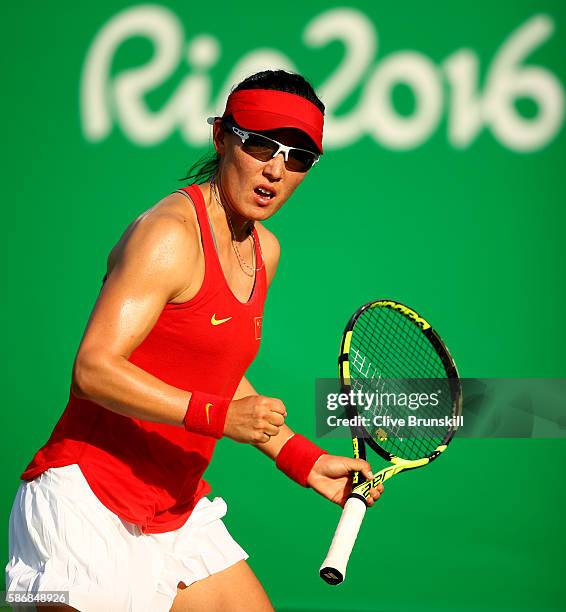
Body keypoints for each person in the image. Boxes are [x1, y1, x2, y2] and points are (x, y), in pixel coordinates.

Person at [5, 69, 383, 612]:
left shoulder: (264, 252)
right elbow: (93, 369)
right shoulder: (169, 235)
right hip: (83, 504)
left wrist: (298, 457)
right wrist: (216, 417)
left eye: (298, 156)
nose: (276, 169)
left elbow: (213, 369)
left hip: (174, 510)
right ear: (221, 138)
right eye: (260, 145)